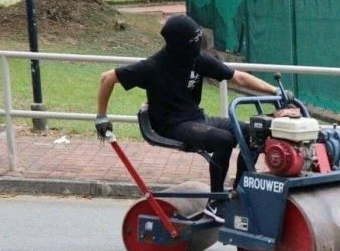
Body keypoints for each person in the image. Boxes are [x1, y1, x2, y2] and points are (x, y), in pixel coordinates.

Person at [95, 14, 293, 222]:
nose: (198, 43)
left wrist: (275, 91)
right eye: (194, 40)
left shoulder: (198, 59)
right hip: (171, 125)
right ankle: (215, 203)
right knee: (223, 140)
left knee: (253, 132)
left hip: (197, 119)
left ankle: (239, 193)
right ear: (179, 45)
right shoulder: (153, 66)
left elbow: (238, 77)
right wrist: (101, 116)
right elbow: (107, 78)